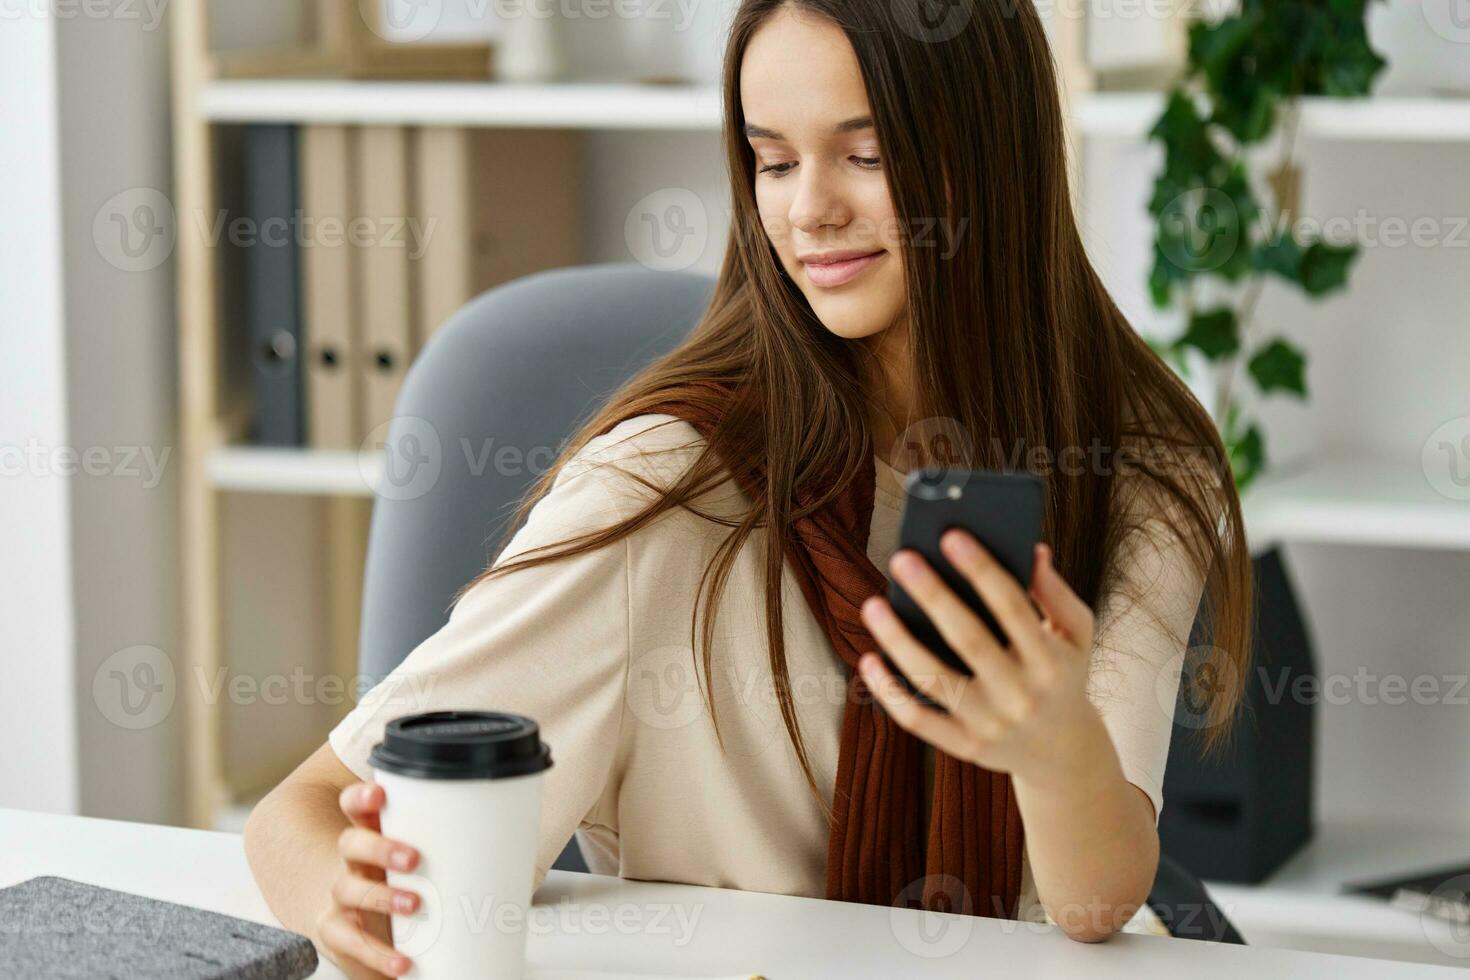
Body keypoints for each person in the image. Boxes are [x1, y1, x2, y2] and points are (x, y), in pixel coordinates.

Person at [244, 2, 1253, 975]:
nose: (809, 208)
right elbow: (302, 810)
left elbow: (1093, 900)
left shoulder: (1140, 464)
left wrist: (1054, 744)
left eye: (864, 154)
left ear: (992, 157)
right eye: (773, 160)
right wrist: (340, 890)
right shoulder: (666, 492)